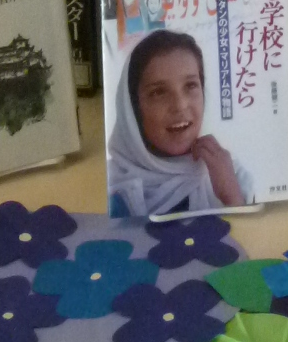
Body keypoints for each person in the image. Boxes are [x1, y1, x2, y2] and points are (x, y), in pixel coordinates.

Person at [106, 29, 252, 217]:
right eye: (159, 92)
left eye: (190, 85)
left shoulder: (231, 175)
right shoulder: (112, 191)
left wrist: (232, 198)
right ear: (132, 107)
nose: (180, 105)